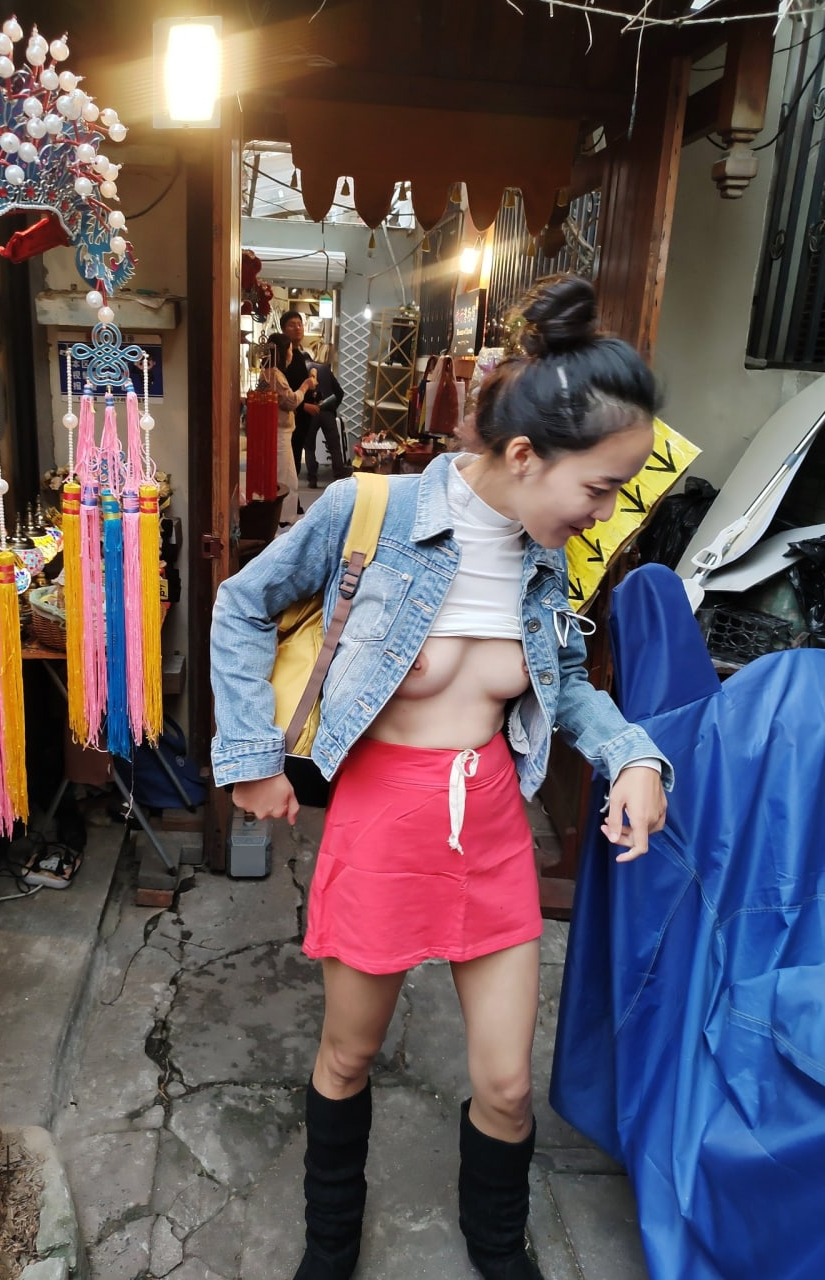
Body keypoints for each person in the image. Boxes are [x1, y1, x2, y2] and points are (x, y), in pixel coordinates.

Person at [211, 275, 673, 1280]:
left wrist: (633, 753)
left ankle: (499, 1249)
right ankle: (330, 1244)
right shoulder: (367, 511)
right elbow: (240, 606)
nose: (606, 513)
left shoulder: (546, 560)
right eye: (599, 488)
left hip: (491, 829)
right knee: (348, 1056)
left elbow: (562, 686)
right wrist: (250, 758)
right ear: (525, 455)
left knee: (506, 1085)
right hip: (382, 821)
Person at [258, 332, 317, 525]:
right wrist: (306, 385)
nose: (292, 354)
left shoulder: (269, 373)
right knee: (284, 479)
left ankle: (285, 518)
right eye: (290, 350)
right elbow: (290, 401)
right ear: (283, 352)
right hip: (278, 433)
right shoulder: (273, 374)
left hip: (277, 431)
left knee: (288, 478)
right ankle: (282, 520)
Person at [302, 359, 350, 485]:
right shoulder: (325, 369)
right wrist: (333, 406)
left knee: (309, 446)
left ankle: (312, 478)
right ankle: (338, 475)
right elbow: (340, 393)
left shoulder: (302, 370)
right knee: (334, 445)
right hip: (327, 411)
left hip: (311, 412)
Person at [280, 309, 313, 479]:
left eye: (300, 324)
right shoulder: (280, 359)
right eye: (292, 325)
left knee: (295, 463)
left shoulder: (300, 355)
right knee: (287, 468)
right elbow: (283, 394)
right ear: (283, 329)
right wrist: (304, 405)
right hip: (288, 419)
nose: (298, 328)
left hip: (300, 420)